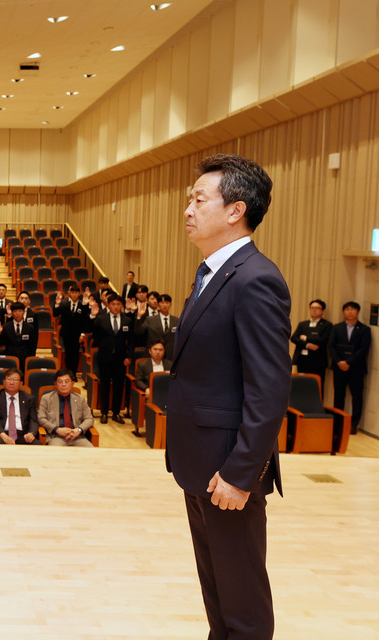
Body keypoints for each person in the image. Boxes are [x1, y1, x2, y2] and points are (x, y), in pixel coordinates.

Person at [169, 153, 290, 640]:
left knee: (243, 606)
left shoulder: (255, 278)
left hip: (228, 470)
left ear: (236, 210)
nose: (188, 209)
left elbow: (269, 389)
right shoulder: (212, 272)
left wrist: (241, 474)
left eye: (200, 200)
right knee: (218, 598)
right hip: (201, 463)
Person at [87, 293, 133, 424]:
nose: (116, 307)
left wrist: (129, 357)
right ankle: (104, 412)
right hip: (105, 358)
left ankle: (116, 413)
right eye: (113, 304)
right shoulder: (101, 318)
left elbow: (131, 341)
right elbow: (90, 330)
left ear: (121, 305)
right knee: (105, 386)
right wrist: (92, 316)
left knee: (119, 386)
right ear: (108, 305)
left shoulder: (127, 320)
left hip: (121, 359)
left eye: (118, 304)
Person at [328, 301, 371, 432]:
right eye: (347, 309)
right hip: (339, 367)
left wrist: (348, 362)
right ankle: (338, 423)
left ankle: (353, 424)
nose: (350, 312)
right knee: (338, 396)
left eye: (352, 309)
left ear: (358, 312)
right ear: (343, 312)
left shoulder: (364, 329)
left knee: (357, 397)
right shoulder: (337, 327)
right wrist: (339, 362)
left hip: (356, 369)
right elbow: (331, 346)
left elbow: (364, 349)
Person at [37, 369, 94, 446]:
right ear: (55, 384)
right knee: (56, 451)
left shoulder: (80, 399)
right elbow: (41, 418)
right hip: (56, 437)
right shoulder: (46, 398)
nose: (63, 384)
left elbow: (89, 419)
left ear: (72, 383)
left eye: (67, 381)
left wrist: (79, 430)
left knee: (91, 451)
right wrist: (57, 429)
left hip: (77, 437)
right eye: (60, 382)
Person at [0, 368, 40, 444]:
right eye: (9, 379)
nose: (11, 382)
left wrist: (31, 433)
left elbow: (33, 420)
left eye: (15, 380)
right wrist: (3, 435)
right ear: (4, 382)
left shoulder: (29, 398)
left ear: (21, 383)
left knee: (37, 444)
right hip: (2, 434)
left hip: (23, 435)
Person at [291, 299, 332, 392]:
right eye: (312, 308)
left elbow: (323, 340)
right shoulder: (303, 324)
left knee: (316, 386)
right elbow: (294, 338)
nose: (314, 310)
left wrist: (306, 338)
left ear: (323, 311)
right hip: (302, 359)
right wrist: (307, 345)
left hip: (317, 361)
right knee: (301, 385)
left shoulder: (327, 325)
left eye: (317, 308)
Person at [55, 285, 89, 378]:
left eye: (76, 292)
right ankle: (68, 374)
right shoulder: (64, 304)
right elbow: (55, 313)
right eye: (72, 292)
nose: (74, 294)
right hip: (66, 333)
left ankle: (73, 374)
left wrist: (82, 334)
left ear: (79, 294)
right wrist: (57, 304)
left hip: (77, 334)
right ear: (69, 293)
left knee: (75, 355)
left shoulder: (82, 305)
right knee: (68, 354)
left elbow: (85, 321)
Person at [0, 301, 38, 369]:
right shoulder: (6, 327)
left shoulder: (30, 327)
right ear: (12, 312)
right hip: (10, 358)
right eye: (15, 311)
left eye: (20, 311)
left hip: (25, 358)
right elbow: (0, 342)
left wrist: (31, 358)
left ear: (23, 312)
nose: (17, 313)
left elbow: (33, 345)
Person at [141, 293, 178, 361]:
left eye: (167, 302)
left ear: (170, 304)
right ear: (158, 304)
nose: (165, 305)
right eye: (162, 303)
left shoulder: (177, 320)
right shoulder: (150, 319)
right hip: (154, 354)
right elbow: (139, 332)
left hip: (171, 355)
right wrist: (139, 317)